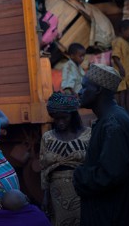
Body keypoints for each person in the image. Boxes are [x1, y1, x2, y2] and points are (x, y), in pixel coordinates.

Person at [73, 64, 129, 225]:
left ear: (98, 90)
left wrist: (79, 176)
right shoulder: (114, 118)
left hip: (115, 214)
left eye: (84, 87)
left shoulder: (113, 124)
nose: (80, 92)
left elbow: (110, 174)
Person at [39, 92, 91, 226]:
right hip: (57, 194)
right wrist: (45, 196)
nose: (60, 122)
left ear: (73, 116)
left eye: (64, 118)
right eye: (56, 119)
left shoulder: (88, 135)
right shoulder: (48, 137)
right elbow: (44, 169)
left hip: (83, 191)